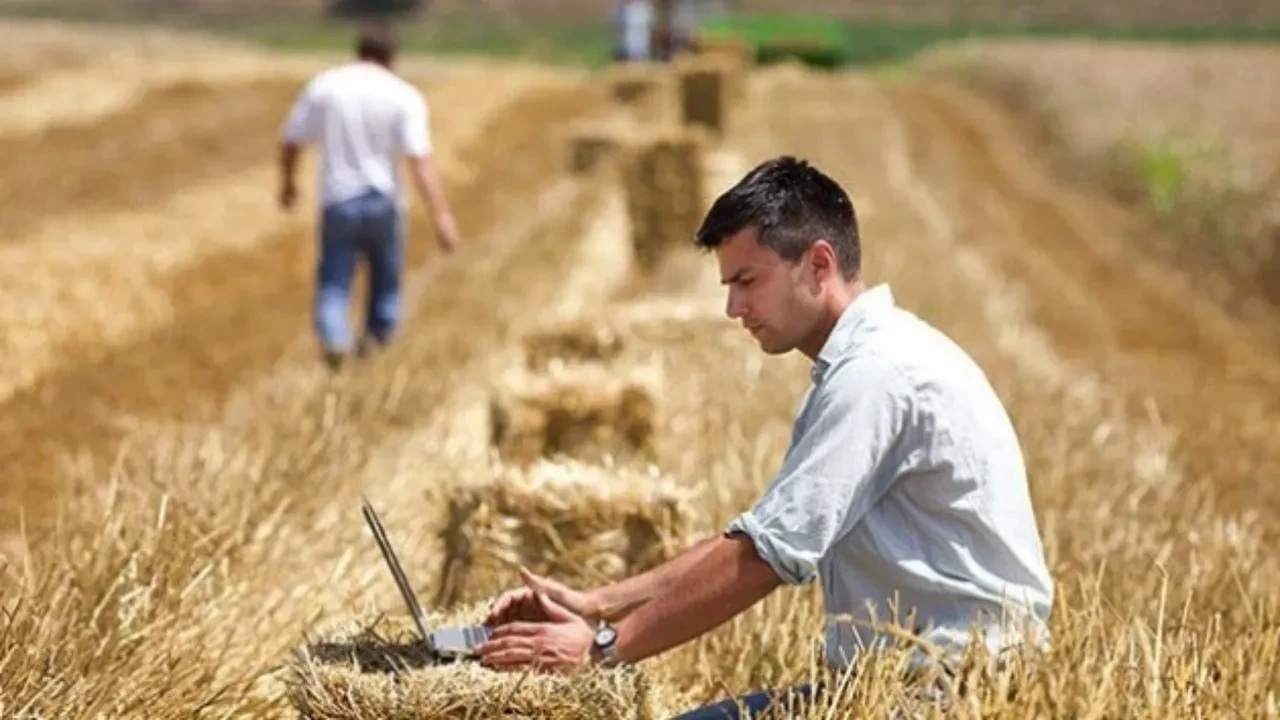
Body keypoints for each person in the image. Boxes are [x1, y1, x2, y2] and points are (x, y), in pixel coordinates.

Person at [475, 156, 1054, 717]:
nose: (733, 307)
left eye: (747, 281)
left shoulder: (877, 376)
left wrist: (601, 651)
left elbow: (764, 559)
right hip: (898, 686)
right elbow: (759, 534)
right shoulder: (868, 361)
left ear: (818, 264)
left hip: (951, 695)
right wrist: (597, 604)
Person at [278, 22, 461, 370]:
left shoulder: (326, 86)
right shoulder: (403, 94)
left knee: (334, 283)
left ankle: (335, 340)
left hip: (338, 201)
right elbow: (420, 162)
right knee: (386, 288)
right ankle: (376, 353)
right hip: (384, 202)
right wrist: (441, 216)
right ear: (392, 58)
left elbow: (291, 141)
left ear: (358, 52)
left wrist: (288, 185)